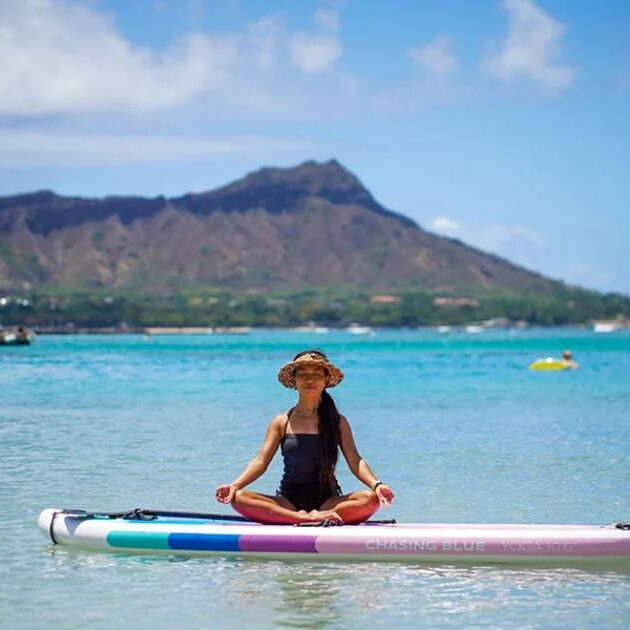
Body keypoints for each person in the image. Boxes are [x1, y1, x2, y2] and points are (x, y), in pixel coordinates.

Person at [215, 349, 394, 524]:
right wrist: (234, 485)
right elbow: (260, 462)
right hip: (288, 501)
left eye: (317, 374)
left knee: (370, 499)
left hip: (329, 502)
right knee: (238, 498)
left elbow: (355, 461)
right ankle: (304, 518)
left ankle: (316, 515)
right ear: (294, 380)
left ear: (325, 380)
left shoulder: (338, 422)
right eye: (303, 374)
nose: (310, 379)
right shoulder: (281, 422)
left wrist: (377, 485)